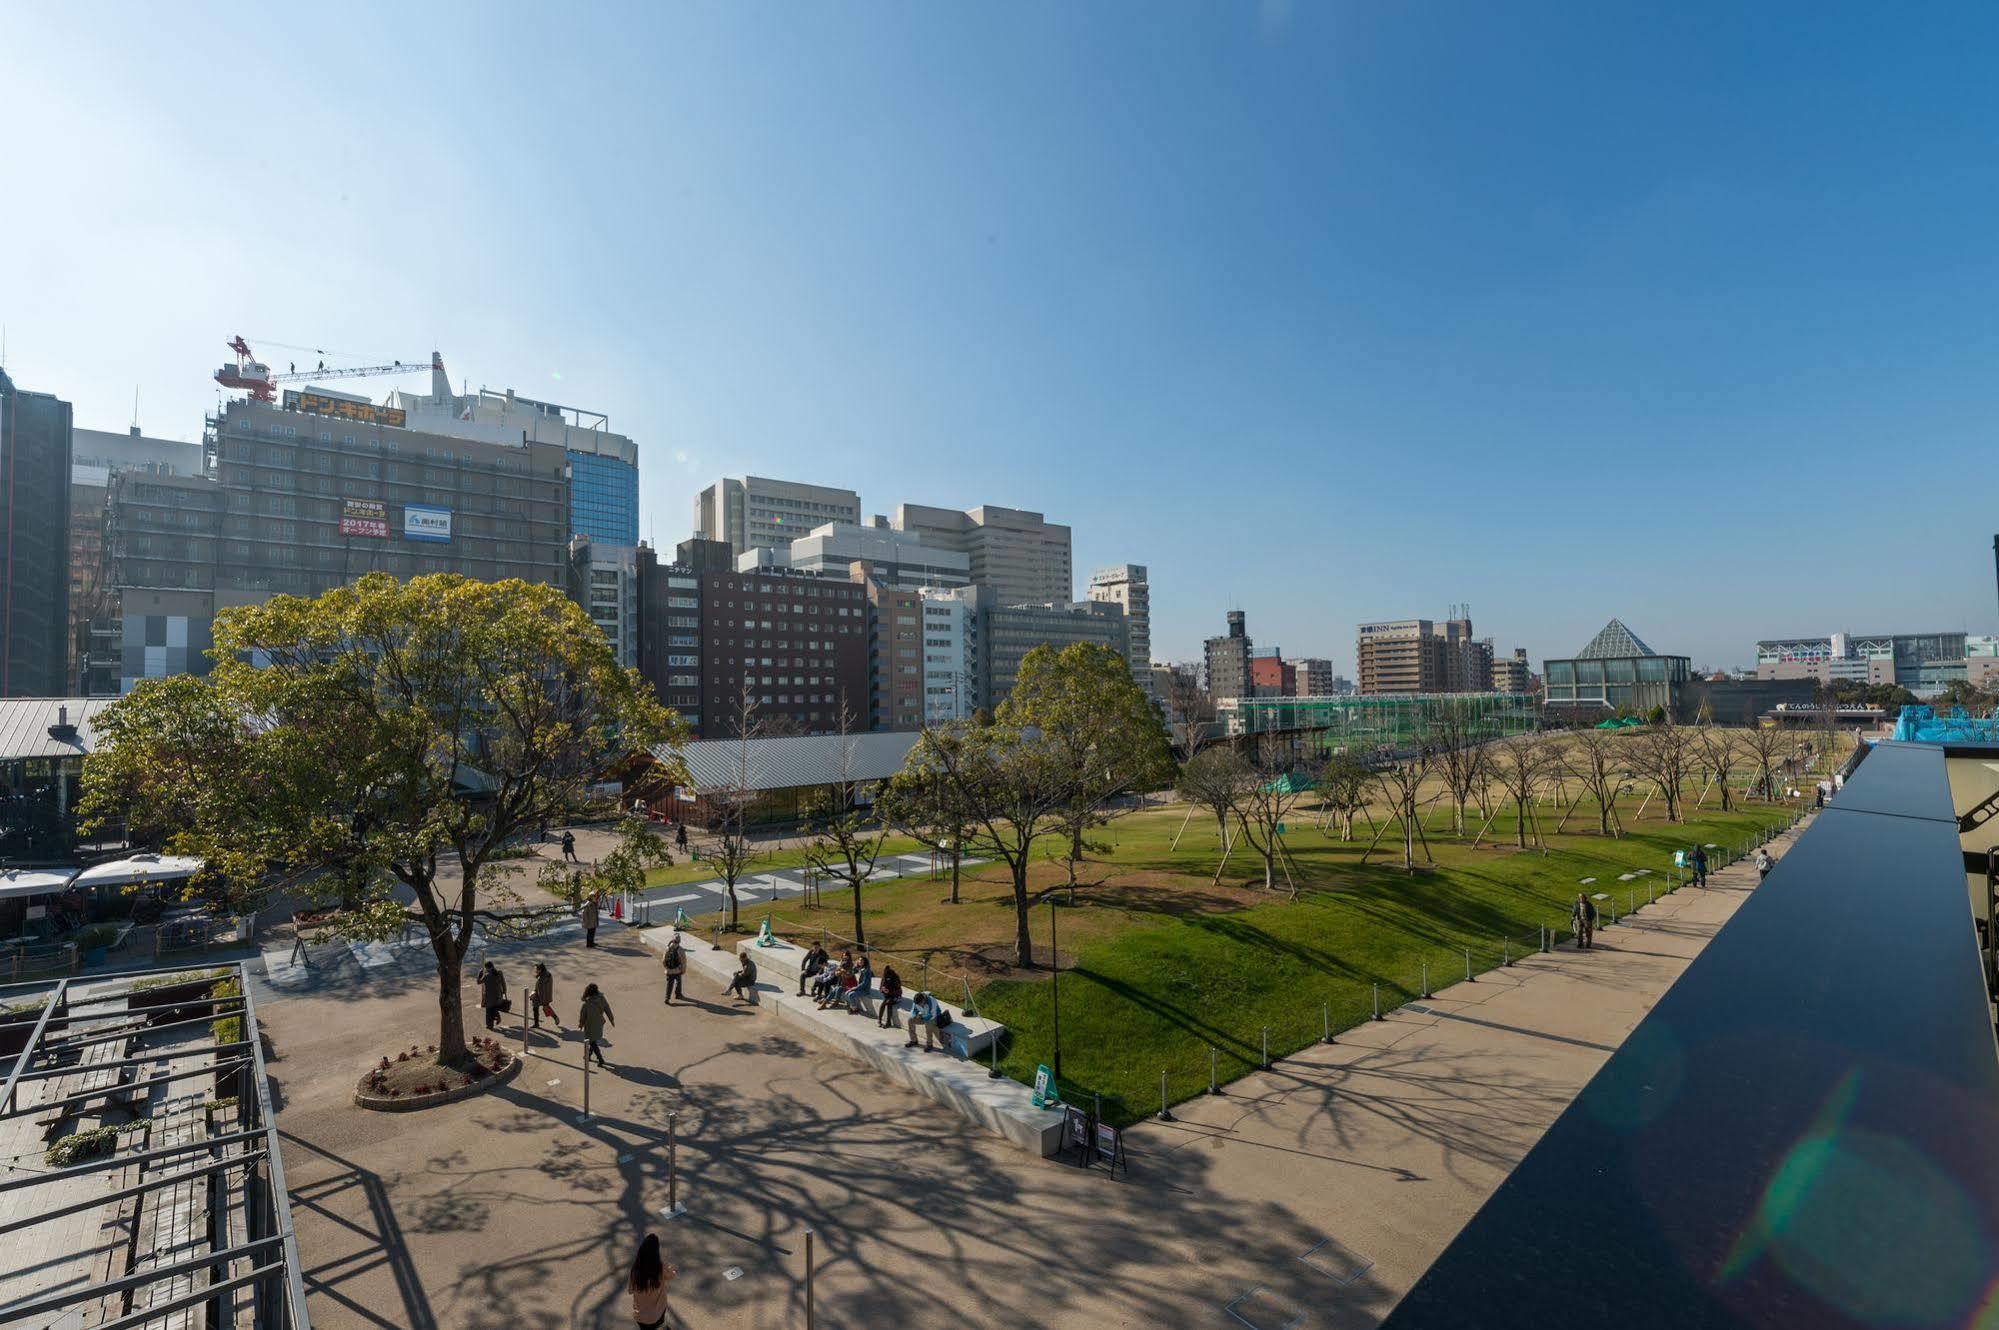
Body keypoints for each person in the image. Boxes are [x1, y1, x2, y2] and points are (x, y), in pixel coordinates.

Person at [628, 1232, 675, 1330]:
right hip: (657, 1314)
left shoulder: (635, 1270)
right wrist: (665, 1266)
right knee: (658, 1325)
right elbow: (672, 1275)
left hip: (640, 1316)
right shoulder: (659, 1268)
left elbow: (630, 1290)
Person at [579, 983, 614, 1068]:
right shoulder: (601, 998)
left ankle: (600, 1059)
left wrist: (581, 1024)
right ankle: (588, 1055)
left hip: (590, 1025)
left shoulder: (586, 1004)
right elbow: (607, 1008)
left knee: (592, 1041)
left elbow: (582, 1016)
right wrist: (611, 1019)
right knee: (593, 1040)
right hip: (599, 1023)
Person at [478, 960, 508, 1029]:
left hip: (489, 997)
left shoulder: (486, 976)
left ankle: (490, 1025)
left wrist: (480, 974)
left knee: (488, 1011)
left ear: (487, 968)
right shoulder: (499, 973)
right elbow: (503, 983)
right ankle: (496, 1017)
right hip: (498, 996)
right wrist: (504, 991)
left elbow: (478, 982)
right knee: (493, 1008)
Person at [661, 933, 686, 1004]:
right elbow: (683, 962)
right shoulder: (681, 950)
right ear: (679, 941)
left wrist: (666, 968)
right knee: (678, 982)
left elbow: (663, 960)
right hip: (677, 970)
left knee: (669, 985)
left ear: (672, 940)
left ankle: (667, 998)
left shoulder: (668, 948)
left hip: (669, 971)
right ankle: (678, 994)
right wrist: (683, 970)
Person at [877, 962, 903, 1029]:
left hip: (896, 996)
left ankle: (888, 1022)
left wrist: (889, 991)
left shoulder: (895, 977)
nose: (886, 978)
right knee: (883, 1004)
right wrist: (882, 990)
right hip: (888, 995)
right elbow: (880, 987)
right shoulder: (884, 977)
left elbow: (898, 990)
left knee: (888, 1003)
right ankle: (879, 1019)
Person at [530, 962, 556, 1029]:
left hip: (542, 997)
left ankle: (537, 1024)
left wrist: (533, 995)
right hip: (544, 995)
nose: (536, 970)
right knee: (542, 1008)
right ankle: (555, 1018)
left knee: (541, 1008)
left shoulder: (542, 978)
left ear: (540, 969)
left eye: (537, 969)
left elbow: (541, 990)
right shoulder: (547, 974)